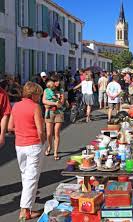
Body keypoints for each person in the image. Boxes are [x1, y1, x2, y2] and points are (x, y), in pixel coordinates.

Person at [8, 82, 45, 220]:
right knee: (32, 177)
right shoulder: (35, 107)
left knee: (25, 175)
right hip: (33, 144)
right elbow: (40, 130)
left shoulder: (16, 106)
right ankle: (24, 210)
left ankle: (27, 206)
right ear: (33, 94)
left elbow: (10, 127)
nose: (39, 97)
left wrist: (22, 130)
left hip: (20, 145)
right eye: (38, 95)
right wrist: (44, 142)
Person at [43, 74, 65, 160]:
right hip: (49, 112)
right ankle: (49, 146)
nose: (58, 82)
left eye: (58, 81)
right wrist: (54, 103)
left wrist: (57, 101)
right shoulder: (46, 90)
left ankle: (55, 151)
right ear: (51, 82)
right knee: (48, 134)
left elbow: (61, 103)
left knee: (56, 133)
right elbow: (44, 100)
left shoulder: (61, 91)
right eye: (56, 81)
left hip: (59, 113)